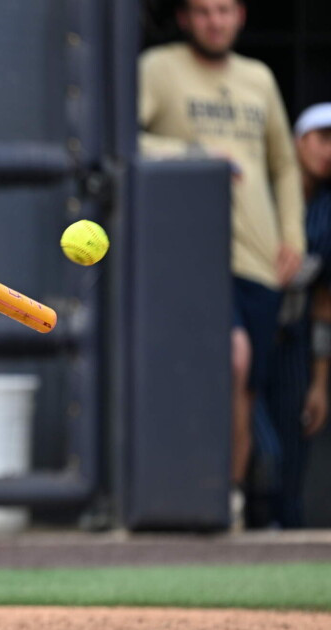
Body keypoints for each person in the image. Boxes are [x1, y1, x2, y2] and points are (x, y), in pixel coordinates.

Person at [138, 0, 306, 527]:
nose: (215, 21)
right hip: (189, 252)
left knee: (249, 383)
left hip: (260, 258)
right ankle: (191, 492)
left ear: (241, 16)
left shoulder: (257, 77)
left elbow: (282, 164)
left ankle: (227, 501)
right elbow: (125, 139)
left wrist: (292, 235)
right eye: (204, 11)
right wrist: (194, 153)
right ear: (185, 18)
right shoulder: (159, 67)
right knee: (227, 361)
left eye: (225, 10)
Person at [254, 104, 331, 528]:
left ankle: (283, 541)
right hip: (248, 329)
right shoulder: (258, 195)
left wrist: (320, 382)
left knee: (292, 460)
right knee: (262, 451)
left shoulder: (327, 211)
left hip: (293, 344)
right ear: (297, 142)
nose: (329, 151)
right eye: (322, 139)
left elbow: (324, 300)